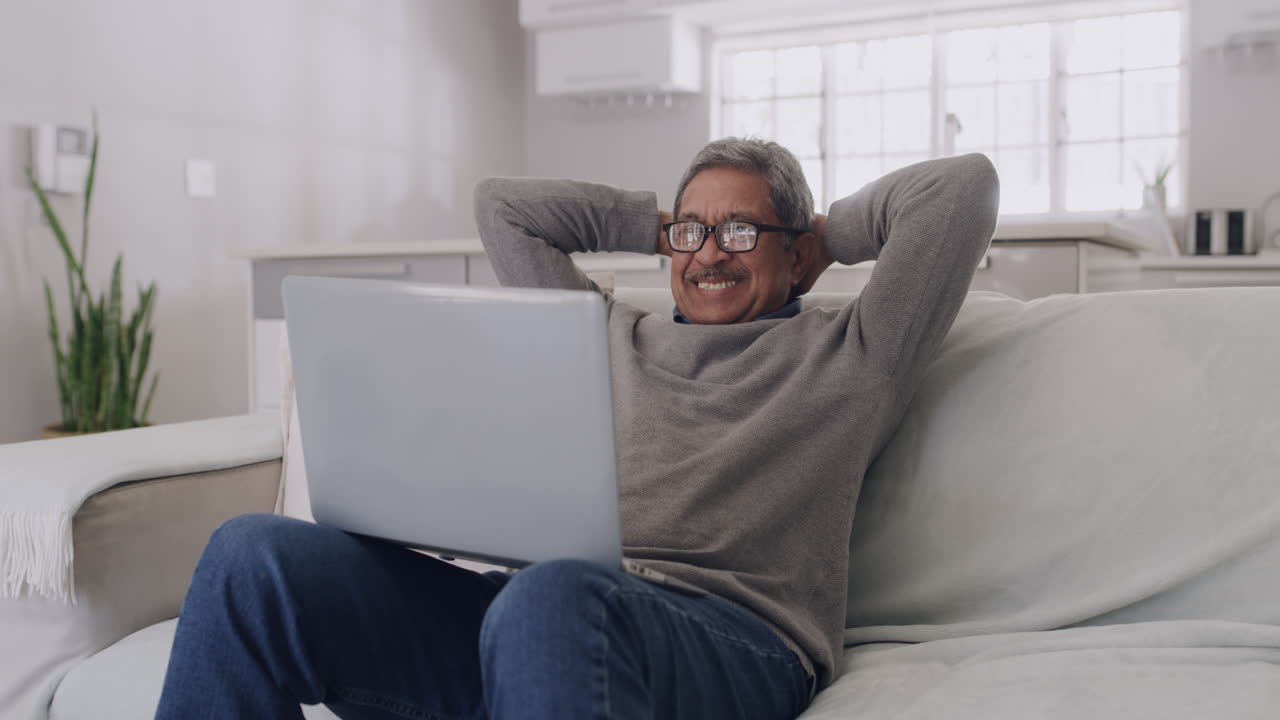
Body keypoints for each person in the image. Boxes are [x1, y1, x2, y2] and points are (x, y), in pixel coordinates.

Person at [155, 138, 999, 720]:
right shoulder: (603, 330)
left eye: (740, 230)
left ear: (796, 258)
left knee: (549, 596)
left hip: (733, 641)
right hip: (538, 624)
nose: (708, 254)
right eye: (689, 232)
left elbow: (960, 190)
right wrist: (652, 220)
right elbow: (504, 209)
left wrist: (827, 232)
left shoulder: (854, 350)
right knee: (249, 558)